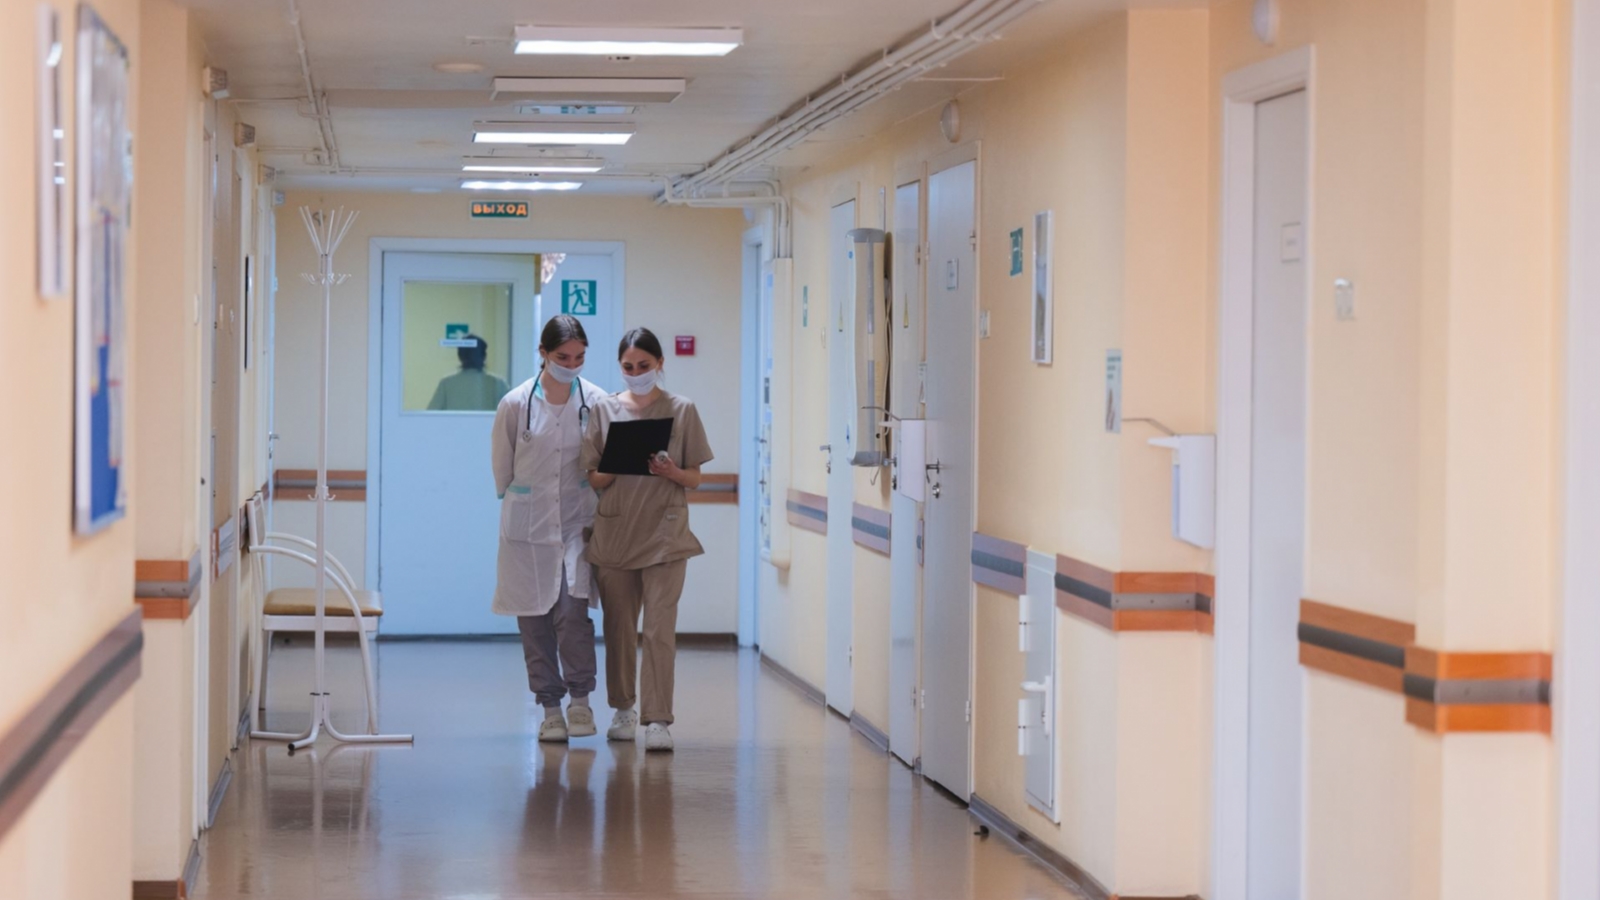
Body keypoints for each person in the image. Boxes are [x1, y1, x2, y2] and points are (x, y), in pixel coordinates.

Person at [582, 327, 713, 752]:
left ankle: (658, 719)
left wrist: (671, 471)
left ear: (660, 363)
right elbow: (593, 477)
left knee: (659, 629)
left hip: (665, 536)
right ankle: (623, 710)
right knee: (619, 628)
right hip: (616, 533)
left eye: (644, 365)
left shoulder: (682, 410)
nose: (636, 373)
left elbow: (694, 477)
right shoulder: (603, 410)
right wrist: (618, 461)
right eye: (628, 367)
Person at [491, 316, 604, 742]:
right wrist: (522, 497)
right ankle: (550, 709)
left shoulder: (596, 401)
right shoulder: (515, 404)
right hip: (528, 527)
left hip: (577, 522)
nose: (571, 365)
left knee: (573, 614)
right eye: (562, 357)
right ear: (543, 353)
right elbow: (502, 470)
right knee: (534, 623)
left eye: (579, 357)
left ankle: (581, 701)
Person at [431, 335, 511, 411]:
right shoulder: (498, 384)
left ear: (460, 356)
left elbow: (431, 415)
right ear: (484, 356)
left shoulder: (447, 383)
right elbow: (513, 415)